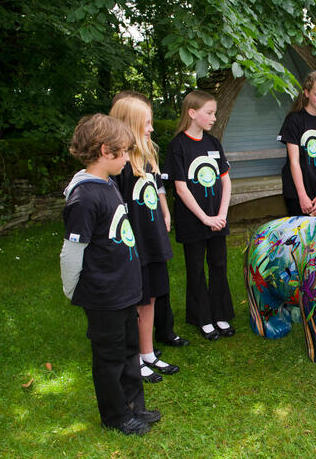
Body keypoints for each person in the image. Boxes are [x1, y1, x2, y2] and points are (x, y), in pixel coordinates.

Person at [60, 114, 160, 435]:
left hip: (123, 290)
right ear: (106, 151)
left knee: (129, 351)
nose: (129, 158)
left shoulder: (108, 185)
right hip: (104, 295)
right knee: (110, 357)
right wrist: (73, 289)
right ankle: (115, 416)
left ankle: (134, 407)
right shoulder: (84, 198)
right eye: (125, 152)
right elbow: (72, 251)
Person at [111, 91, 190, 350]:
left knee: (152, 297)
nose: (152, 128)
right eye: (146, 123)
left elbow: (156, 192)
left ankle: (147, 353)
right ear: (130, 124)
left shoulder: (147, 157)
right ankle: (134, 355)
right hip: (133, 244)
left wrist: (165, 213)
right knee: (136, 300)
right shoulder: (117, 166)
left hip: (153, 239)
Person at [166, 90, 235, 340]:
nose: (214, 118)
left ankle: (220, 314)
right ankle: (203, 318)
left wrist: (221, 213)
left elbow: (225, 181)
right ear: (192, 113)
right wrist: (205, 218)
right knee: (196, 268)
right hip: (193, 221)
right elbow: (181, 188)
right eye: (209, 113)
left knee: (219, 264)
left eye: (214, 113)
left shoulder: (213, 144)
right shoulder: (178, 146)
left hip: (218, 218)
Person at [278, 70, 316, 216]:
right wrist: (302, 196)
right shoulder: (294, 120)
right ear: (306, 93)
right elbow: (294, 162)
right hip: (297, 191)